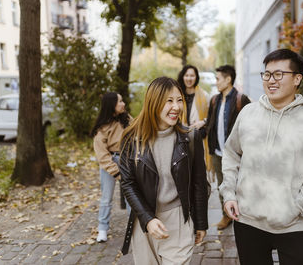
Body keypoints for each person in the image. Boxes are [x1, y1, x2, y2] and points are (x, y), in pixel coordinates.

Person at [220, 49, 303, 265]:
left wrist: (297, 207)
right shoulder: (248, 114)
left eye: (278, 74)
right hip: (248, 221)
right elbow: (231, 154)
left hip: (293, 225)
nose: (270, 80)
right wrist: (229, 193)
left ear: (297, 79)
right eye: (266, 74)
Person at [119, 77, 209, 264]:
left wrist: (201, 223)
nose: (176, 107)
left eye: (179, 100)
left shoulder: (190, 137)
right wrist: (147, 218)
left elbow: (199, 184)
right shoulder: (132, 138)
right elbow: (128, 183)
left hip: (178, 220)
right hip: (144, 223)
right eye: (169, 101)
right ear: (154, 102)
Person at [204, 65, 251, 230]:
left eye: (218, 79)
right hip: (217, 152)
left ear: (228, 79)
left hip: (237, 154)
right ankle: (226, 216)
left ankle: (245, 216)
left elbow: (250, 127)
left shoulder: (241, 100)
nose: (216, 82)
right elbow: (210, 124)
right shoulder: (214, 100)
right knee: (222, 185)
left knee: (241, 185)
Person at [91, 92, 131, 243]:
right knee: (106, 197)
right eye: (120, 101)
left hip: (127, 159)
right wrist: (116, 172)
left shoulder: (126, 119)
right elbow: (102, 156)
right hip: (110, 163)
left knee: (131, 195)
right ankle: (102, 228)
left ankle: (134, 226)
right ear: (112, 105)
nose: (123, 104)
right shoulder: (102, 128)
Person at [177, 65, 213, 178]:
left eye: (192, 75)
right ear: (182, 76)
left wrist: (203, 121)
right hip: (180, 139)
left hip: (198, 140)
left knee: (199, 173)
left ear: (196, 77)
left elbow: (212, 117)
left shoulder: (205, 95)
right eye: (186, 75)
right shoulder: (177, 95)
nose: (189, 78)